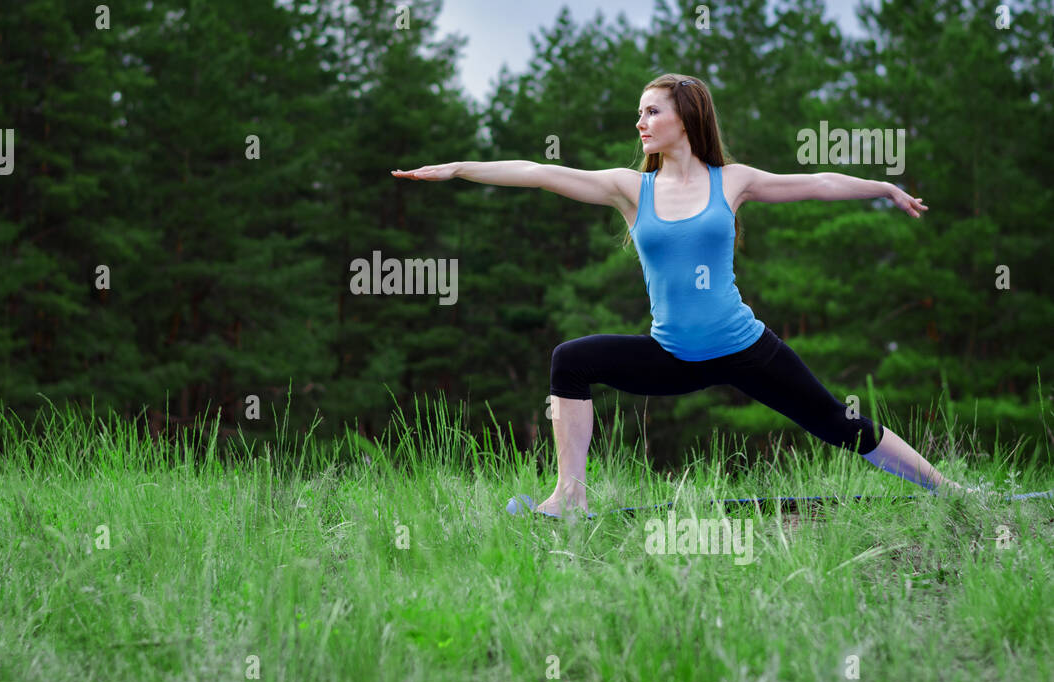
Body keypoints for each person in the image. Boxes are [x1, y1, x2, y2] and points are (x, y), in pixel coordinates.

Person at [392, 72, 970, 517]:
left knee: (838, 423)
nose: (640, 121)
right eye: (638, 112)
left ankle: (949, 490)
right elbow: (540, 171)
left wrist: (883, 188)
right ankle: (570, 496)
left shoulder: (733, 180)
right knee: (570, 359)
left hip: (745, 347)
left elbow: (817, 182)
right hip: (673, 355)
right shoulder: (629, 188)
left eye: (651, 111)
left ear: (685, 118)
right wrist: (459, 168)